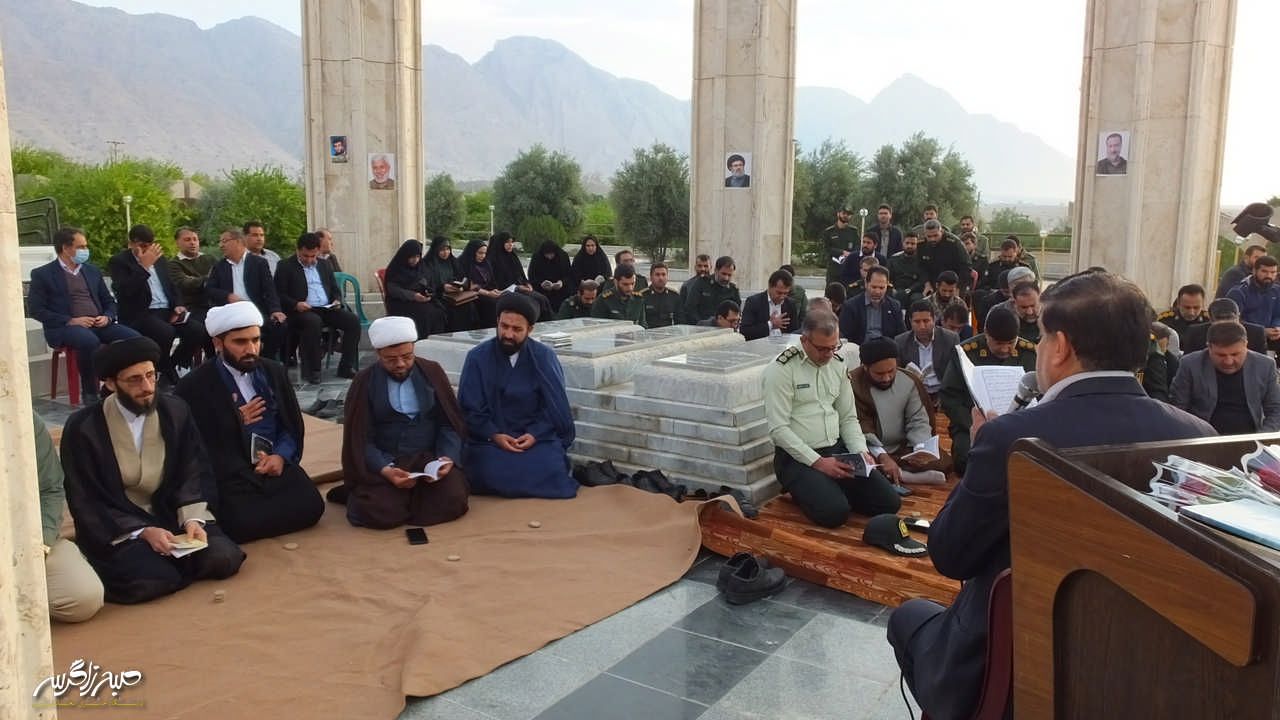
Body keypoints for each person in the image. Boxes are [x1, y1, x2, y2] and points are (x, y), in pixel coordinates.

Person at [888, 271, 1215, 720]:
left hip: (1017, 660)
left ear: (1060, 347)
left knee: (908, 617)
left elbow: (950, 555)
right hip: (1147, 667)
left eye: (1041, 337)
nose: (1039, 348)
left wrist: (981, 455)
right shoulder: (1199, 435)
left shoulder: (1012, 439)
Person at [61, 337, 245, 604]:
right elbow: (85, 497)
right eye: (134, 380)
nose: (147, 387)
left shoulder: (175, 410)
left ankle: (171, 562)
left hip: (171, 514)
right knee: (152, 579)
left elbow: (193, 468)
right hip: (120, 527)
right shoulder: (83, 428)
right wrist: (143, 531)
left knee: (223, 558)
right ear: (111, 384)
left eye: (150, 376)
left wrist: (192, 520)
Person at [175, 303, 325, 543]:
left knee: (312, 506)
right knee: (239, 523)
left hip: (273, 465)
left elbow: (289, 425)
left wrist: (280, 456)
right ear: (218, 343)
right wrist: (233, 420)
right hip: (232, 473)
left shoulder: (273, 371)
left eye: (255, 340)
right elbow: (191, 445)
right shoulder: (194, 385)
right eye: (240, 342)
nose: (251, 349)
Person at [763, 310, 901, 528]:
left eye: (833, 347)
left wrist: (860, 451)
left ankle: (829, 489)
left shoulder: (837, 364)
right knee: (835, 514)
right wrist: (819, 463)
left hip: (836, 450)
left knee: (889, 502)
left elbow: (848, 418)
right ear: (804, 340)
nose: (828, 354)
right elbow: (778, 430)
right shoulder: (781, 370)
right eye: (822, 349)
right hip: (798, 458)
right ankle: (807, 490)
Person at [338, 316, 470, 528]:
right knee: (377, 510)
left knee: (452, 498)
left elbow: (449, 423)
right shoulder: (364, 382)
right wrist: (385, 469)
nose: (400, 364)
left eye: (407, 357)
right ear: (378, 354)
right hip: (388, 461)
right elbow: (360, 438)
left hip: (428, 459)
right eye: (391, 359)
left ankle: (411, 497)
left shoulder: (432, 371)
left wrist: (446, 457)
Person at [458, 294, 577, 498]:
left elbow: (553, 408)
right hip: (490, 440)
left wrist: (534, 434)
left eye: (516, 329)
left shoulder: (544, 357)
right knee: (487, 467)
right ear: (497, 321)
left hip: (535, 439)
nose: (508, 334)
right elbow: (470, 409)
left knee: (550, 465)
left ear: (530, 329)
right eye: (504, 326)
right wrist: (494, 435)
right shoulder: (477, 357)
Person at [27, 226, 141, 401]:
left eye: (85, 246)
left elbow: (109, 301)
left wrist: (107, 316)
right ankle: (90, 392)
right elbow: (36, 310)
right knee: (88, 341)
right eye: (81, 247)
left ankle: (118, 384)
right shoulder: (43, 274)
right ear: (66, 248)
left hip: (99, 323)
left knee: (135, 339)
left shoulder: (92, 271)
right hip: (65, 327)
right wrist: (71, 320)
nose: (85, 250)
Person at [939, 308, 1036, 473]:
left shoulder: (1029, 353)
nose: (1005, 349)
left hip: (1019, 424)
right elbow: (950, 396)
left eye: (1010, 343)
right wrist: (975, 424)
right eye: (998, 343)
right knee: (966, 461)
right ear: (986, 334)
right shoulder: (966, 353)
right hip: (973, 423)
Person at [108, 224, 205, 384]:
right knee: (165, 332)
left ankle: (171, 366)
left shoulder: (159, 259)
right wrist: (143, 267)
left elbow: (172, 286)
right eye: (142, 246)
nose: (146, 250)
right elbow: (126, 291)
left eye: (149, 245)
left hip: (166, 310)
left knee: (197, 330)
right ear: (131, 243)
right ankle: (165, 372)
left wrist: (178, 305)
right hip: (141, 313)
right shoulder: (119, 262)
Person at [33, 412, 105, 622]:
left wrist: (42, 545)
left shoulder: (22, 417)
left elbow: (50, 490)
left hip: (27, 539)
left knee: (83, 597)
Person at [276, 232, 362, 383]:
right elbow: (279, 293)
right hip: (301, 311)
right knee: (313, 322)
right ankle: (312, 370)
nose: (309, 260)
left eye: (313, 256)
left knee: (353, 321)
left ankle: (346, 366)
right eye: (305, 256)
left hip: (326, 308)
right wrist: (295, 304)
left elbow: (334, 289)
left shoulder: (324, 265)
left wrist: (336, 300)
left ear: (318, 251)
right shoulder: (285, 266)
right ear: (298, 250)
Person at [849, 337, 938, 481]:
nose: (886, 378)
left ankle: (898, 473)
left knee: (943, 461)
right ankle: (901, 475)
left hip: (903, 448)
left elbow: (918, 419)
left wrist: (919, 448)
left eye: (891, 371)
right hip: (870, 448)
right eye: (879, 374)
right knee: (861, 465)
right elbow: (860, 426)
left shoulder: (909, 380)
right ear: (865, 367)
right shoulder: (853, 384)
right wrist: (882, 455)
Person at [1171, 321, 1280, 434]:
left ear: (1246, 345)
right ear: (1209, 347)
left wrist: (1261, 437)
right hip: (1202, 436)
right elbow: (1177, 409)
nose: (1228, 361)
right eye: (1221, 355)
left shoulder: (1265, 365)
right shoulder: (1190, 364)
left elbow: (1276, 409)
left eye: (1235, 354)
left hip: (1251, 437)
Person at [206, 228, 288, 362]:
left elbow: (269, 289)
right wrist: (228, 296)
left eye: (224, 241)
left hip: (255, 310)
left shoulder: (258, 263)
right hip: (231, 311)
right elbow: (210, 289)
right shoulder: (219, 266)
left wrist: (275, 310)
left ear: (238, 242)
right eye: (220, 242)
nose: (221, 245)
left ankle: (265, 360)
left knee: (280, 325)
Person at [168, 226, 217, 364]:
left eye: (195, 239)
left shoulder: (209, 259)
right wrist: (208, 279)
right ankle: (176, 364)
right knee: (204, 328)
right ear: (177, 242)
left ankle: (214, 361)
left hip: (214, 304)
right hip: (191, 307)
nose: (192, 243)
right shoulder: (173, 264)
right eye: (187, 239)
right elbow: (184, 284)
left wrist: (201, 281)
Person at [895, 299, 961, 402]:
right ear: (910, 321)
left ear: (934, 320)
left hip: (942, 392)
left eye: (926, 321)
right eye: (917, 322)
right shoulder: (901, 341)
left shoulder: (950, 339)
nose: (922, 327)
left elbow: (956, 373)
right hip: (915, 393)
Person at [383, 239, 448, 339]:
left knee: (438, 310)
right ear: (405, 256)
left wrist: (427, 292)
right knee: (425, 313)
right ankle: (420, 341)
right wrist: (413, 296)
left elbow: (427, 281)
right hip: (400, 302)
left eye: (418, 257)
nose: (416, 260)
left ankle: (435, 341)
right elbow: (394, 290)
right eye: (412, 257)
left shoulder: (421, 266)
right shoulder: (395, 269)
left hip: (419, 299)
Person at [488, 232, 554, 320]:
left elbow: (521, 274)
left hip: (520, 288)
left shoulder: (512, 256)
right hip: (506, 291)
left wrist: (528, 284)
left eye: (512, 242)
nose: (510, 245)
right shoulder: (493, 259)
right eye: (507, 242)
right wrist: (517, 287)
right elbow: (497, 282)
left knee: (542, 299)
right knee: (531, 302)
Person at [1225, 255, 1280, 352]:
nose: (1269, 276)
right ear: (1254, 271)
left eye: (1273, 272)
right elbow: (1231, 321)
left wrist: (1277, 327)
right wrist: (1261, 331)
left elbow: (1277, 315)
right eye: (1264, 271)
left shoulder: (1277, 291)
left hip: (1271, 339)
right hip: (1244, 340)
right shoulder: (1238, 292)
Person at [839, 266, 905, 344]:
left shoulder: (894, 306)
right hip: (859, 348)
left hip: (886, 348)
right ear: (866, 284)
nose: (877, 292)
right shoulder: (850, 306)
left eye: (881, 288)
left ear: (887, 286)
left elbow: (902, 336)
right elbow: (844, 336)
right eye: (874, 287)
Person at [425, 236, 478, 331]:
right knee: (450, 309)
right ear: (436, 250)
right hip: (439, 296)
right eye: (442, 250)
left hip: (455, 294)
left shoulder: (453, 261)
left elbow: (462, 278)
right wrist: (442, 287)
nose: (446, 252)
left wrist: (461, 286)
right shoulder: (428, 263)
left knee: (469, 306)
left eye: (447, 249)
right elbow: (427, 284)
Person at [1181, 298, 1267, 354]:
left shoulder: (1256, 333)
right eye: (1220, 320)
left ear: (1238, 316)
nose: (1226, 325)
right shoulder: (1195, 333)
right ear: (1210, 319)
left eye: (1230, 320)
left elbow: (1262, 365)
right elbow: (1188, 364)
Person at [741, 269, 798, 340]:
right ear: (770, 286)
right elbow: (745, 331)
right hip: (760, 344)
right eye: (779, 293)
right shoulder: (753, 302)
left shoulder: (790, 304)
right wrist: (770, 325)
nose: (782, 297)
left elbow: (794, 331)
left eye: (786, 293)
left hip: (783, 344)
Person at [683, 255, 741, 324]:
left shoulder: (733, 290)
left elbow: (736, 314)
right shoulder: (702, 283)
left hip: (725, 327)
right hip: (701, 326)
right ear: (716, 270)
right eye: (723, 274)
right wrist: (701, 324)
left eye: (729, 275)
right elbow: (690, 309)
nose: (726, 278)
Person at [918, 220, 971, 295]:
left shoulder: (954, 243)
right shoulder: (921, 244)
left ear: (941, 231)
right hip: (932, 283)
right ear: (925, 234)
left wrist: (958, 288)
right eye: (929, 236)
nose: (932, 239)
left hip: (952, 283)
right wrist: (926, 283)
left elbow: (966, 267)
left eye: (936, 235)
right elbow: (920, 267)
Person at [460, 238, 501, 327]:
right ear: (472, 252)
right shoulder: (463, 263)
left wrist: (495, 290)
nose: (483, 256)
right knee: (492, 303)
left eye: (485, 253)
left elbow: (491, 281)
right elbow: (469, 285)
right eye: (480, 253)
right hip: (472, 295)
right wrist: (488, 293)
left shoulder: (486, 263)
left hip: (486, 292)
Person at [528, 240, 574, 312]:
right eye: (547, 255)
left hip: (561, 291)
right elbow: (532, 275)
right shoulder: (537, 257)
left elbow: (569, 274)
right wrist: (541, 283)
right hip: (542, 291)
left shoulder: (563, 256)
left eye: (551, 254)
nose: (549, 257)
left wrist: (561, 282)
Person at [887, 232, 927, 307]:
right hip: (897, 289)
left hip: (914, 291)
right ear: (903, 243)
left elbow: (922, 280)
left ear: (917, 245)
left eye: (913, 244)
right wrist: (892, 288)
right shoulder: (893, 259)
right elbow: (888, 277)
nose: (909, 246)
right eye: (907, 243)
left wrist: (909, 290)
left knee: (917, 299)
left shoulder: (922, 261)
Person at [823, 206, 859, 286]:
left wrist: (851, 254)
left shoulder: (853, 231)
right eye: (844, 213)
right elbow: (827, 248)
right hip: (834, 270)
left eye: (848, 214)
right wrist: (842, 252)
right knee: (832, 291)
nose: (846, 216)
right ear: (838, 214)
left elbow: (857, 247)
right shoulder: (829, 231)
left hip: (849, 269)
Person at [639, 263, 682, 328]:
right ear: (651, 277)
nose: (661, 278)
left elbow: (680, 321)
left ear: (667, 277)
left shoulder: (674, 296)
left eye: (663, 274)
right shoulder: (642, 296)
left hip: (669, 332)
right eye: (657, 275)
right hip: (648, 332)